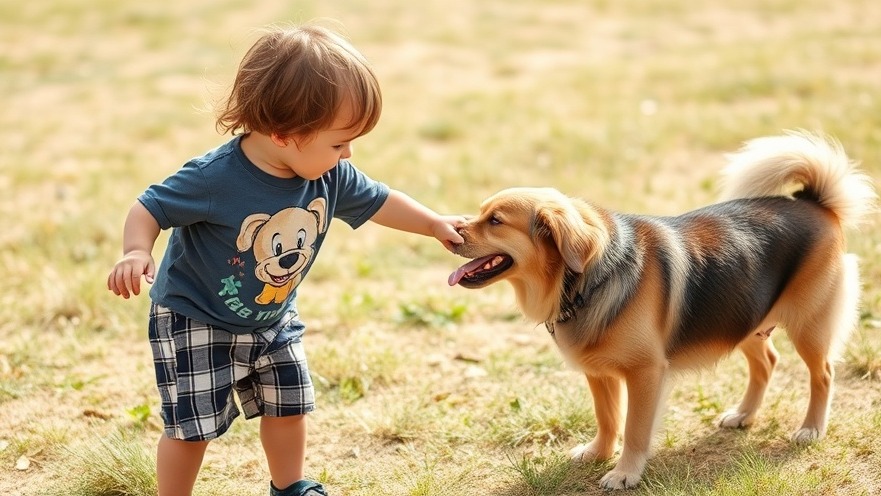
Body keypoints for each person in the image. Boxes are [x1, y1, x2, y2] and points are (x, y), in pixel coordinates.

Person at [107, 23, 464, 496]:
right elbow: (150, 206)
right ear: (283, 134)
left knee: (289, 403)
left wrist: (434, 222)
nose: (348, 154)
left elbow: (381, 201)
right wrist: (136, 250)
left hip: (272, 316)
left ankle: (290, 486)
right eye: (339, 142)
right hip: (195, 317)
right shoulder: (215, 179)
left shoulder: (329, 175)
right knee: (192, 427)